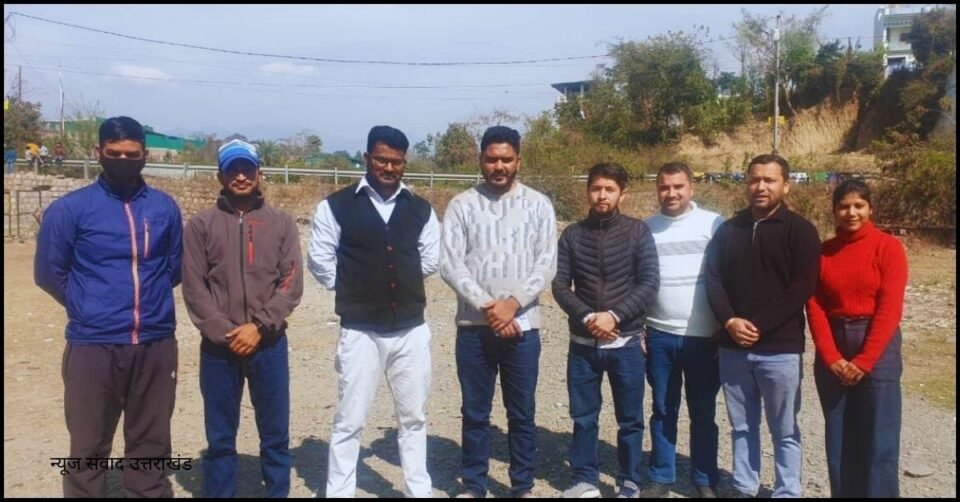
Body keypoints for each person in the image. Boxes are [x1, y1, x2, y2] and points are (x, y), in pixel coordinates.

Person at [34, 116, 183, 497]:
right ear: (98, 152)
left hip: (154, 343)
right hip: (93, 344)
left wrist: (145, 304)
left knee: (151, 445)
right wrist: (89, 305)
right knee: (87, 446)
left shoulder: (164, 208)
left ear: (145, 155)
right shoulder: (70, 210)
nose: (123, 161)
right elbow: (49, 272)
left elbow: (172, 267)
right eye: (114, 153)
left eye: (132, 154)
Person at [307, 125, 439, 498]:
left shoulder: (421, 209)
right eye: (382, 160)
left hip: (411, 330)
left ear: (405, 163)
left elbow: (430, 259)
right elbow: (320, 260)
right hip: (360, 331)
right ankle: (339, 492)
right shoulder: (335, 206)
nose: (389, 168)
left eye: (397, 162)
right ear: (367, 158)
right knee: (350, 418)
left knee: (413, 418)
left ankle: (418, 490)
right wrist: (356, 288)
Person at [440, 125, 558, 499]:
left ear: (518, 160)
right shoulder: (462, 205)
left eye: (506, 159)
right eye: (492, 159)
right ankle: (474, 484)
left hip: (523, 326)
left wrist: (513, 304)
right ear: (481, 160)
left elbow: (546, 263)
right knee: (475, 412)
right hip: (474, 327)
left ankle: (522, 485)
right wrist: (489, 307)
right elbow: (450, 264)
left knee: (521, 413)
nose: (499, 166)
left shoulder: (538, 205)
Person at [182, 139, 304, 497]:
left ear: (258, 172)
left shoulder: (281, 223)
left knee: (275, 434)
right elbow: (194, 287)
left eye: (247, 168)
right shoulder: (201, 225)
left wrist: (260, 326)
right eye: (232, 169)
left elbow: (291, 282)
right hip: (219, 349)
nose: (240, 176)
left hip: (269, 344)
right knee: (220, 437)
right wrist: (227, 332)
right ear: (220, 175)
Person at [704, 154, 820, 498]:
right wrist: (729, 321)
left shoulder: (800, 231)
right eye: (755, 179)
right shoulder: (729, 230)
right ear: (746, 183)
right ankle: (744, 486)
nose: (761, 187)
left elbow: (801, 286)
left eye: (769, 180)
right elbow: (713, 279)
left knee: (784, 429)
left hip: (780, 349)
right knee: (741, 425)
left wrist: (758, 326)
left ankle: (787, 491)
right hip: (733, 348)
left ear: (786, 185)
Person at [552, 163, 659, 499]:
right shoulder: (572, 235)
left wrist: (614, 316)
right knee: (584, 416)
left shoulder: (638, 232)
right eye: (596, 188)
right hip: (583, 344)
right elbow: (560, 284)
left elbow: (649, 282)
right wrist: (588, 317)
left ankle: (629, 480)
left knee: (630, 419)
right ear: (588, 192)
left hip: (626, 343)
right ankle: (584, 479)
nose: (602, 195)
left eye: (610, 189)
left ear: (621, 194)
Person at [805, 179, 907, 498]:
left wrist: (864, 361)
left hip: (877, 344)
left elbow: (890, 308)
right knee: (839, 436)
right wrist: (830, 356)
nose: (851, 213)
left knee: (879, 437)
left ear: (870, 208)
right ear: (834, 211)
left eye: (859, 206)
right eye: (844, 206)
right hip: (834, 344)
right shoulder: (823, 253)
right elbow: (815, 305)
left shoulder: (888, 247)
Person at [643, 162, 725, 498]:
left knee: (703, 412)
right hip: (659, 334)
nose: (671, 193)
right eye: (664, 187)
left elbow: (728, 275)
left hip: (705, 337)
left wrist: (724, 326)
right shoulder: (646, 229)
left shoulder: (714, 224)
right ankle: (661, 476)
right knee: (663, 409)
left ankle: (704, 478)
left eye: (678, 186)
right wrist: (639, 329)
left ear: (691, 187)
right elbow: (639, 281)